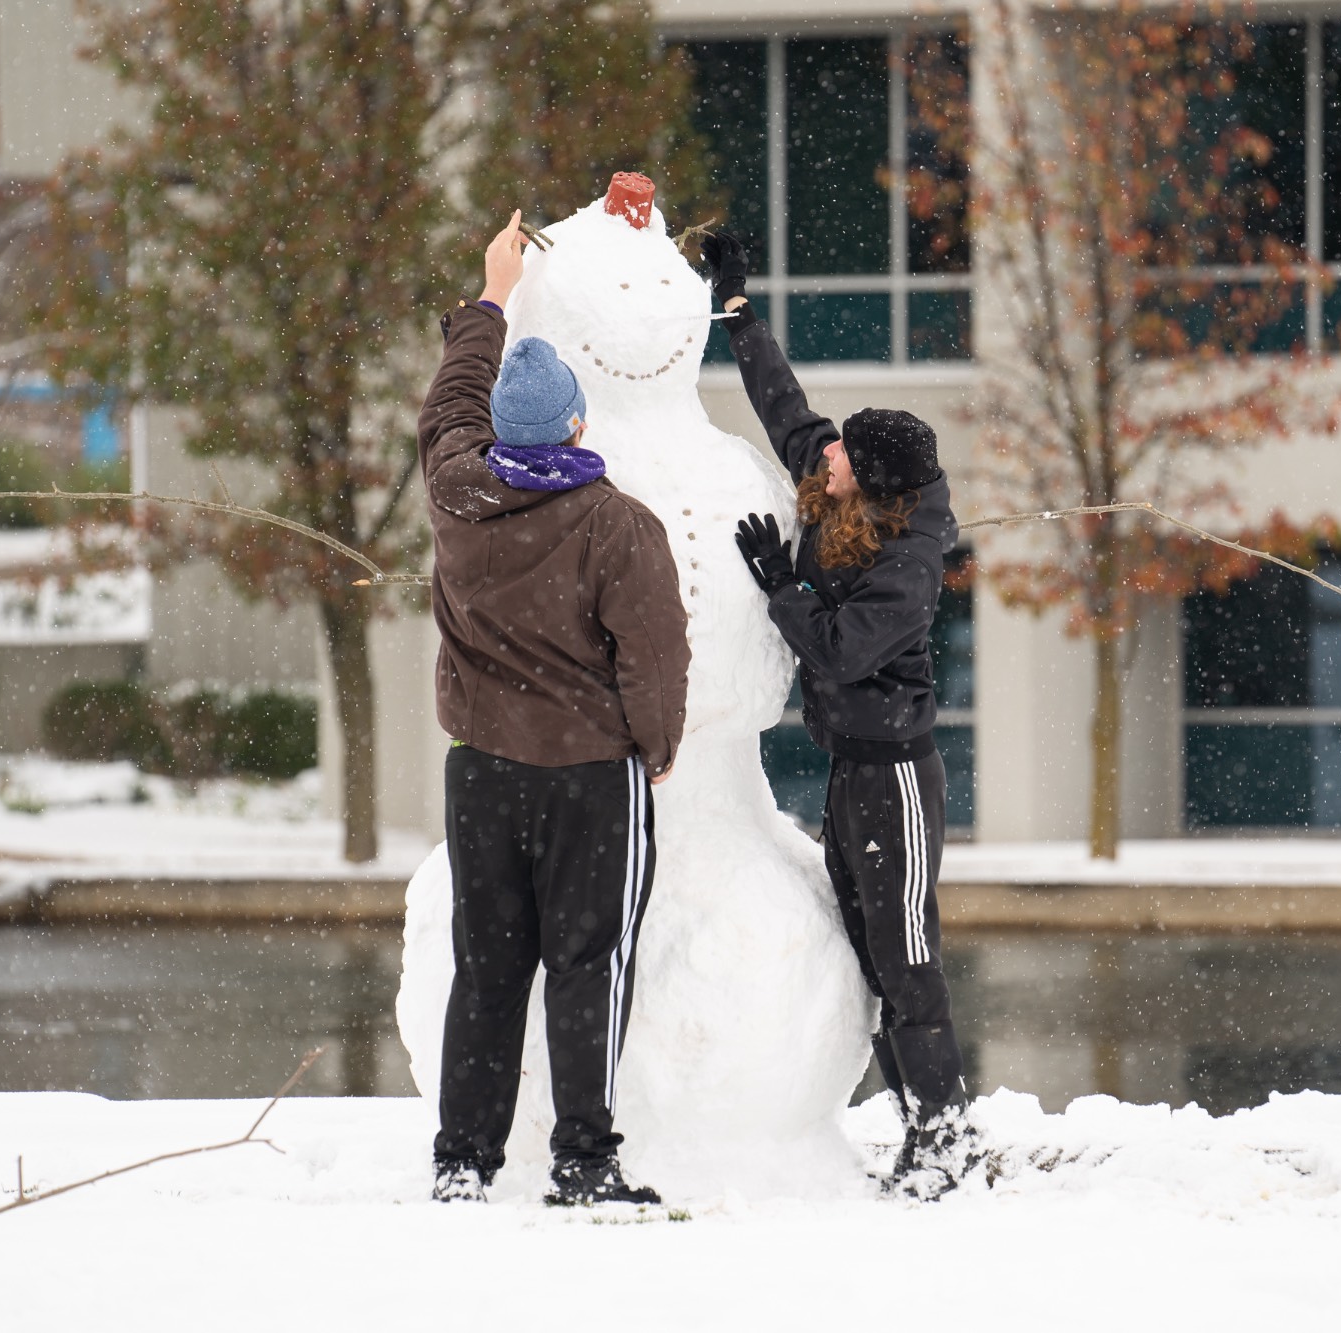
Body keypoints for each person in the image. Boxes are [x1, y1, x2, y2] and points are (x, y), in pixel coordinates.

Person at [418, 211, 691, 1207]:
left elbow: (449, 399)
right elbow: (653, 655)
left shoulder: (457, 491)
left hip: (483, 768)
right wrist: (654, 745)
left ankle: (462, 1159)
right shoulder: (618, 526)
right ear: (577, 424)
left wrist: (491, 294)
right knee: (588, 963)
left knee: (486, 967)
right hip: (587, 775)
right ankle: (582, 1158)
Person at [704, 229, 979, 1199]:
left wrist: (781, 585)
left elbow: (834, 648)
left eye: (842, 457)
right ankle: (920, 1128)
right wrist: (736, 315)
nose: (824, 457)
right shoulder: (848, 481)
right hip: (852, 773)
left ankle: (946, 1136)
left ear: (876, 482)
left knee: (905, 959)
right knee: (872, 956)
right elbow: (790, 414)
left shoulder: (906, 568)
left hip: (896, 777)